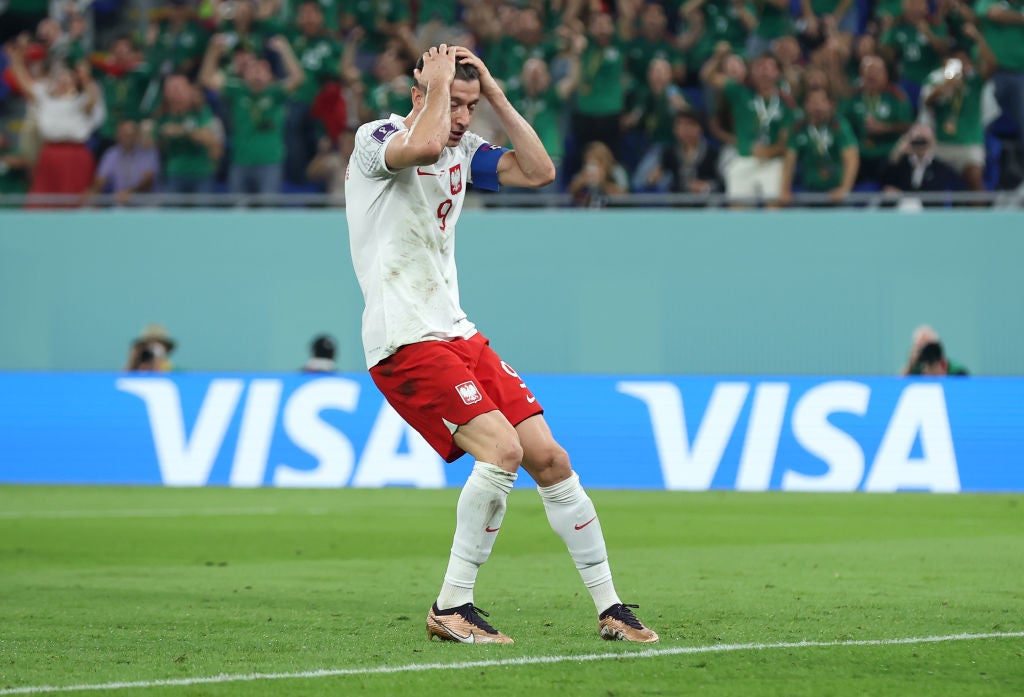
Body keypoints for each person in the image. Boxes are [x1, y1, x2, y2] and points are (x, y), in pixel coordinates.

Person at [345, 44, 657, 645]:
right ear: (419, 93)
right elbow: (424, 146)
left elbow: (539, 171)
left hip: (458, 331)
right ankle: (452, 605)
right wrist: (440, 90)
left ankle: (611, 608)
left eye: (469, 105)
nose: (463, 117)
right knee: (502, 450)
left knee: (550, 458)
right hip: (405, 337)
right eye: (453, 102)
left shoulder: (465, 147)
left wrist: (495, 94)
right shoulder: (374, 139)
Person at [200, 33, 305, 196]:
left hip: (270, 162)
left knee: (267, 213)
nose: (257, 74)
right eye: (253, 70)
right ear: (245, 74)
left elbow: (298, 78)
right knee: (237, 213)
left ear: (270, 75)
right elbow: (206, 78)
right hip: (241, 162)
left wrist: (284, 49)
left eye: (262, 70)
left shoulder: (275, 92)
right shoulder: (238, 91)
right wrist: (213, 51)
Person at [920, 27, 998, 192]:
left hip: (968, 145)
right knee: (929, 182)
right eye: (955, 61)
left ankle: (980, 217)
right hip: (941, 145)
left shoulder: (974, 80)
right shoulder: (936, 80)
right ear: (946, 63)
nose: (959, 65)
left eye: (962, 60)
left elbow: (992, 65)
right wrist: (944, 88)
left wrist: (978, 38)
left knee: (975, 178)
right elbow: (926, 103)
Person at [780, 87, 859, 205]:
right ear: (805, 105)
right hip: (808, 192)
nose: (817, 107)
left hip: (836, 191)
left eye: (822, 102)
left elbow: (852, 159)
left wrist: (844, 189)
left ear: (831, 104)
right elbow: (789, 161)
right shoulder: (798, 128)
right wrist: (785, 190)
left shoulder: (839, 126)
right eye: (812, 102)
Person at [84, 120, 160, 205]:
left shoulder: (148, 152)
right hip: (121, 204)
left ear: (137, 136)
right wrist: (93, 192)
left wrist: (131, 193)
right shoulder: (111, 154)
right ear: (117, 136)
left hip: (145, 204)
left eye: (131, 135)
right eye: (124, 135)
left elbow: (148, 182)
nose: (128, 138)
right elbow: (101, 180)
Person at [881, 122, 962, 200]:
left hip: (929, 211)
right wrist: (898, 152)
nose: (920, 144)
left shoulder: (941, 167)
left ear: (932, 141)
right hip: (902, 209)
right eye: (917, 140)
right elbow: (884, 181)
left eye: (924, 140)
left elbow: (938, 192)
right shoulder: (900, 164)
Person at [901, 324, 969, 375]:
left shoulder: (956, 371)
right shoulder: (916, 370)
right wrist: (910, 366)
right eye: (920, 348)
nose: (926, 352)